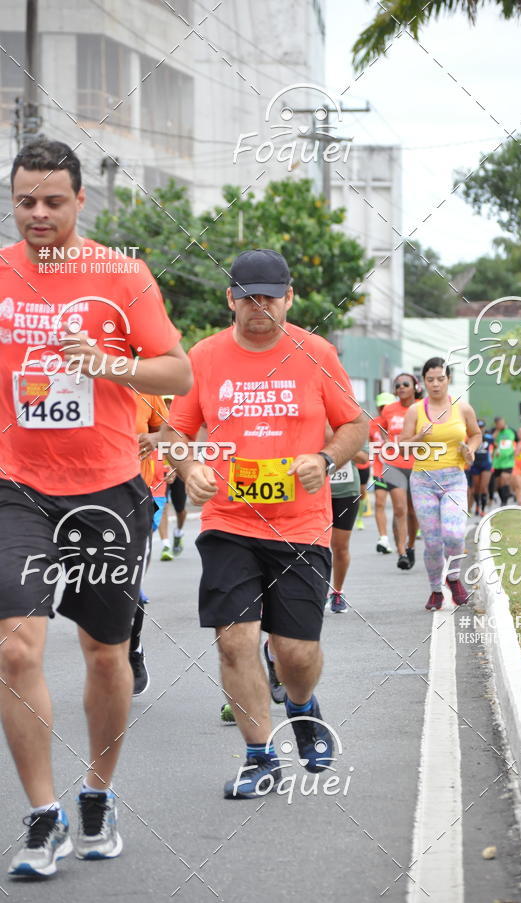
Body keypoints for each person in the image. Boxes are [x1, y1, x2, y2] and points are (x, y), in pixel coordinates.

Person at [0, 138, 192, 877]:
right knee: (16, 646)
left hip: (107, 487)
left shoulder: (123, 274)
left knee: (105, 652)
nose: (39, 214)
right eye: (25, 201)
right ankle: (43, 815)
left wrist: (108, 363)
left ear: (81, 200)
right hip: (16, 484)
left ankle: (98, 793)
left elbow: (175, 367)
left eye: (53, 200)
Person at [163, 248, 367, 799]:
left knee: (295, 652)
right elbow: (173, 433)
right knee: (235, 641)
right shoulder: (204, 357)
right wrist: (189, 466)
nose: (259, 308)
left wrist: (323, 460)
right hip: (229, 522)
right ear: (230, 298)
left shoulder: (315, 352)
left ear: (289, 298)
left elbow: (353, 426)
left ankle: (301, 706)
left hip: (301, 525)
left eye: (269, 298)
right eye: (247, 297)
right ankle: (260, 757)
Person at [400, 357, 481, 611]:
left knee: (455, 535)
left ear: (449, 380)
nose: (436, 384)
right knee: (433, 542)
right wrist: (419, 437)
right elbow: (401, 446)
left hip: (454, 479)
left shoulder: (462, 408)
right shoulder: (415, 410)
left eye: (441, 379)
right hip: (423, 481)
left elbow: (476, 434)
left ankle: (454, 578)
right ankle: (436, 590)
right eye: (430, 379)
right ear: (423, 382)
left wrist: (471, 450)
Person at [131, 392, 171, 696]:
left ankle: (132, 647)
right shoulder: (69, 378)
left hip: (135, 496)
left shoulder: (144, 386)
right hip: (75, 498)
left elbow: (167, 429)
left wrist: (155, 441)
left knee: (129, 584)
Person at [379, 373, 422, 570]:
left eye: (406, 384)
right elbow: (381, 430)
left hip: (417, 465)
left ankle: (411, 545)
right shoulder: (389, 410)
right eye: (397, 385)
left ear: (415, 386)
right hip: (393, 464)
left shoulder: (423, 408)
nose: (401, 388)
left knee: (413, 512)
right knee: (399, 509)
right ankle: (402, 552)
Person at [328, 448, 368, 613]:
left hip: (346, 491)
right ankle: (315, 591)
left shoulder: (353, 425)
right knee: (313, 545)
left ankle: (337, 592)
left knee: (340, 546)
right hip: (314, 491)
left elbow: (363, 458)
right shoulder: (312, 423)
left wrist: (341, 445)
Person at [158, 395, 188, 560]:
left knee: (180, 509)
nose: (168, 407)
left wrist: (177, 467)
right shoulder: (157, 422)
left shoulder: (183, 423)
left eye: (171, 404)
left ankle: (178, 532)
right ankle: (166, 545)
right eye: (165, 403)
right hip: (161, 470)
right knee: (162, 505)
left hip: (180, 469)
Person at [371, 392, 396, 554]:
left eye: (387, 406)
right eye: (381, 407)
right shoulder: (373, 424)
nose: (384, 409)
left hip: (398, 471)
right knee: (379, 503)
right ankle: (383, 538)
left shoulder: (400, 423)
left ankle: (410, 535)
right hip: (380, 469)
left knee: (402, 507)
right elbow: (365, 442)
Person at [470, 419, 494, 516]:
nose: (480, 429)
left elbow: (495, 445)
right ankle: (477, 505)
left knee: (483, 487)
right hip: (475, 464)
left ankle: (483, 509)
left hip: (486, 464)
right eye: (478, 427)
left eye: (482, 427)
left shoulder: (488, 438)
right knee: (476, 487)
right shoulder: (472, 437)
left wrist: (493, 455)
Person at [491, 416, 517, 506]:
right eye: (498, 423)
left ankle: (505, 500)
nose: (501, 424)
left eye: (502, 422)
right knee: (498, 483)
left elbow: (518, 441)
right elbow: (490, 440)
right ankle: (504, 498)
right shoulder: (494, 432)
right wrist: (497, 431)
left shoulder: (511, 431)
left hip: (508, 461)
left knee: (504, 479)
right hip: (498, 462)